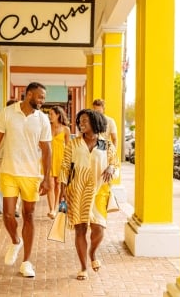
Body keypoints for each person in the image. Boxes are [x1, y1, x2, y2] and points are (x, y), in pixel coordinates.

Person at [0, 82, 52, 278]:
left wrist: (47, 178)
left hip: (31, 174)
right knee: (7, 215)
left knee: (29, 215)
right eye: (40, 97)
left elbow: (47, 150)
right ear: (29, 94)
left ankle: (27, 262)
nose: (42, 101)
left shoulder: (42, 119)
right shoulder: (7, 113)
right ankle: (15, 241)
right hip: (9, 171)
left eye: (44, 98)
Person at [58, 109, 118, 281]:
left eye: (85, 120)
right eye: (80, 121)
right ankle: (83, 267)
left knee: (99, 229)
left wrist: (111, 167)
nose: (81, 124)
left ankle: (92, 253)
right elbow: (65, 167)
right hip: (77, 191)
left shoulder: (104, 144)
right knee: (80, 229)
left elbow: (115, 163)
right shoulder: (73, 144)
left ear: (95, 122)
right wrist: (62, 190)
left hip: (99, 192)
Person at [0, 99, 21, 217]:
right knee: (2, 184)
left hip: (17, 158)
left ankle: (14, 208)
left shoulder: (21, 123)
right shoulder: (2, 120)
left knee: (17, 183)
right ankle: (4, 206)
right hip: (2, 156)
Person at [46, 106, 71, 219]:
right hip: (48, 159)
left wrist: (69, 162)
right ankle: (51, 209)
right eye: (49, 114)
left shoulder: (66, 129)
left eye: (51, 114)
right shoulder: (46, 127)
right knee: (50, 185)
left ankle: (55, 208)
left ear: (58, 115)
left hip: (61, 160)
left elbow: (68, 147)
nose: (49, 116)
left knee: (57, 185)